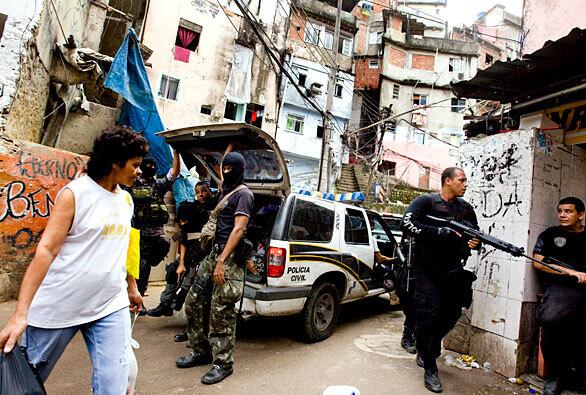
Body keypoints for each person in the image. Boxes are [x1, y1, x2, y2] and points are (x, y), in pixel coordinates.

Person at [0, 126, 148, 394]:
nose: (139, 171)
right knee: (21, 382)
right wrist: (20, 314)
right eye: (135, 165)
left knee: (114, 386)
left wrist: (132, 286)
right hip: (61, 305)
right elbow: (46, 251)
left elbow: (124, 245)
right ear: (115, 163)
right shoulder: (75, 194)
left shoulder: (126, 200)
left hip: (109, 305)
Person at [176, 152, 254, 385]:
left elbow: (239, 229)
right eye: (224, 168)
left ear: (239, 170)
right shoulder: (224, 190)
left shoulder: (244, 195)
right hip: (212, 255)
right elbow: (222, 172)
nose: (226, 171)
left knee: (222, 311)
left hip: (227, 259)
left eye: (231, 168)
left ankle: (223, 363)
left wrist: (221, 260)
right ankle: (201, 351)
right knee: (193, 302)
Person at [401, 167, 480, 393]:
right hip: (426, 269)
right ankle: (430, 366)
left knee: (452, 313)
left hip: (453, 270)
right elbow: (406, 225)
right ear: (448, 181)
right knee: (429, 314)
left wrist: (475, 243)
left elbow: (475, 234)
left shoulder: (466, 209)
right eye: (462, 180)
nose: (466, 184)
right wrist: (439, 232)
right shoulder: (425, 202)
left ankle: (425, 347)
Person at [532, 197, 586, 395]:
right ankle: (555, 375)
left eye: (568, 211)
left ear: (581, 215)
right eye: (560, 211)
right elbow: (538, 262)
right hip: (561, 287)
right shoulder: (550, 234)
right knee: (551, 319)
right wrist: (570, 272)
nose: (563, 215)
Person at [130, 150, 180, 308]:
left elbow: (175, 173)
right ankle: (136, 298)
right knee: (141, 268)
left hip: (155, 234)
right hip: (137, 233)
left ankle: (136, 295)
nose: (150, 167)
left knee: (146, 264)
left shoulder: (158, 185)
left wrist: (176, 153)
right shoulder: (132, 183)